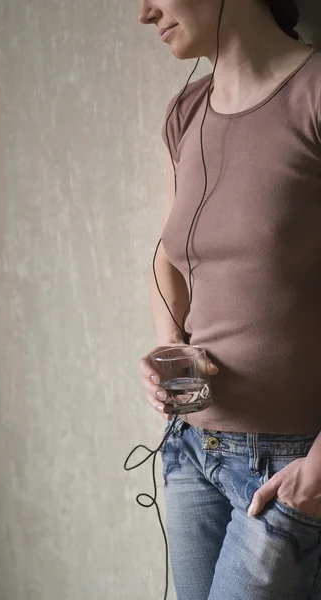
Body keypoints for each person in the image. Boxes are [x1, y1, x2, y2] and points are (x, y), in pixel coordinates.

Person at [136, 1, 321, 598]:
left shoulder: (313, 93)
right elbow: (168, 253)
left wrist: (316, 475)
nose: (145, 12)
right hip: (191, 453)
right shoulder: (184, 112)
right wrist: (168, 350)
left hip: (289, 465)